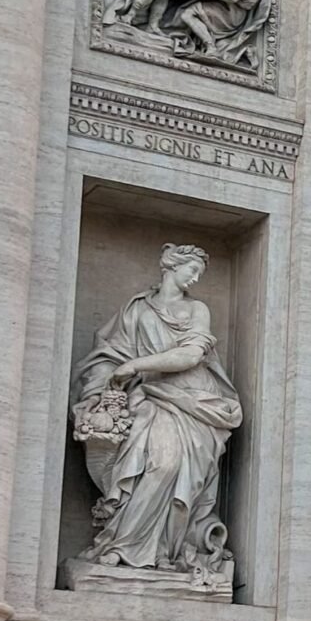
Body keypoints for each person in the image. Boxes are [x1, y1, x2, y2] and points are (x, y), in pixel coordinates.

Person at [71, 244, 242, 580]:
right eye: (190, 269)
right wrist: (100, 388)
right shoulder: (136, 310)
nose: (194, 277)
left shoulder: (197, 310)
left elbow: (190, 356)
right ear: (170, 267)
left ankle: (166, 550)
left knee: (171, 465)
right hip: (148, 397)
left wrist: (135, 365)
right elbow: (109, 355)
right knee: (145, 462)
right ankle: (123, 545)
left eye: (199, 273)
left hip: (194, 403)